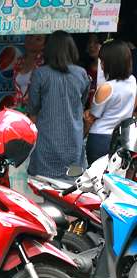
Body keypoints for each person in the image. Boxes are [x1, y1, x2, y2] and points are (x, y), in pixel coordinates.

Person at [26, 30, 90, 180]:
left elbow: (33, 108)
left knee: (46, 186)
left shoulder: (40, 74)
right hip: (74, 141)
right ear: (72, 49)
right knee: (72, 186)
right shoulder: (81, 74)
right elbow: (81, 103)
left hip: (47, 141)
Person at [84, 39, 137, 162]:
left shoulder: (106, 88)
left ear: (111, 63)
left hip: (101, 138)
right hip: (123, 137)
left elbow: (93, 116)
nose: (101, 65)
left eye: (102, 61)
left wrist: (87, 117)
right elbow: (133, 105)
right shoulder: (133, 80)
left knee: (95, 177)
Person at [12, 34, 46, 110]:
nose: (32, 41)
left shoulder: (44, 63)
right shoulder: (19, 61)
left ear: (44, 45)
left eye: (38, 39)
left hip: (38, 111)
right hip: (21, 110)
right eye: (30, 36)